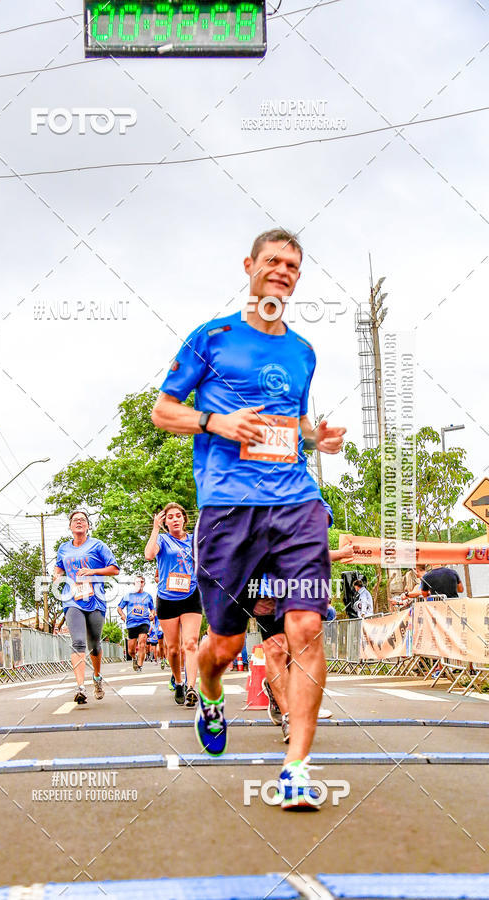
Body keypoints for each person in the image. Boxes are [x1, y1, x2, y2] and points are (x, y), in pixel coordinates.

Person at [151, 228, 345, 809]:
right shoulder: (212, 338)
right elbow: (164, 411)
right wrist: (218, 423)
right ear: (250, 267)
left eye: (293, 264)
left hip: (295, 502)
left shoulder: (303, 351)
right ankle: (211, 694)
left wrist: (318, 437)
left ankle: (297, 768)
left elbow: (296, 423)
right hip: (229, 507)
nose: (283, 271)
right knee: (225, 642)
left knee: (306, 627)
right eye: (274, 261)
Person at [259, 525, 354, 742]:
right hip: (264, 591)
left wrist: (341, 554)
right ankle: (289, 717)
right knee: (275, 649)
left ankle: (286, 697)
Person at [53, 510, 119, 704]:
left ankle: (97, 677)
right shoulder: (64, 548)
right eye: (75, 520)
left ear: (88, 526)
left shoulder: (98, 545)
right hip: (72, 599)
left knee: (94, 644)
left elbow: (114, 569)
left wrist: (93, 571)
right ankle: (80, 687)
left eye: (83, 520)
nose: (79, 522)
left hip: (95, 599)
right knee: (78, 641)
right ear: (70, 527)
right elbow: (59, 568)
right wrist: (57, 575)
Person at [145, 503, 202, 707]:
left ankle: (191, 687)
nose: (175, 519)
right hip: (167, 598)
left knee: (191, 643)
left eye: (179, 516)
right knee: (174, 649)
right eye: (170, 517)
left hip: (191, 595)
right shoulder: (161, 539)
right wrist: (155, 528)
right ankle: (178, 681)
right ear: (165, 521)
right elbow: (149, 555)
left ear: (184, 519)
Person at [118, 576, 155, 672]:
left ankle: (140, 665)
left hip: (144, 622)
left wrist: (152, 614)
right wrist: (122, 615)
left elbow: (152, 609)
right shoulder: (128, 595)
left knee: (142, 643)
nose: (140, 583)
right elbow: (119, 608)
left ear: (144, 584)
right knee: (131, 650)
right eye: (138, 582)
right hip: (131, 623)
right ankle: (134, 658)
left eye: (142, 582)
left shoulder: (148, 596)